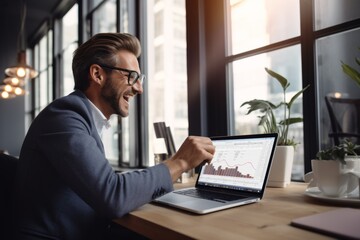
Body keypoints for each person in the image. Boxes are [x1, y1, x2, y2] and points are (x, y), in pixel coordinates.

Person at [13, 33, 215, 240]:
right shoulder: (64, 116)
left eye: (140, 79)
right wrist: (179, 162)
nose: (139, 88)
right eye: (132, 77)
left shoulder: (81, 118)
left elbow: (103, 185)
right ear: (97, 74)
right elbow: (112, 196)